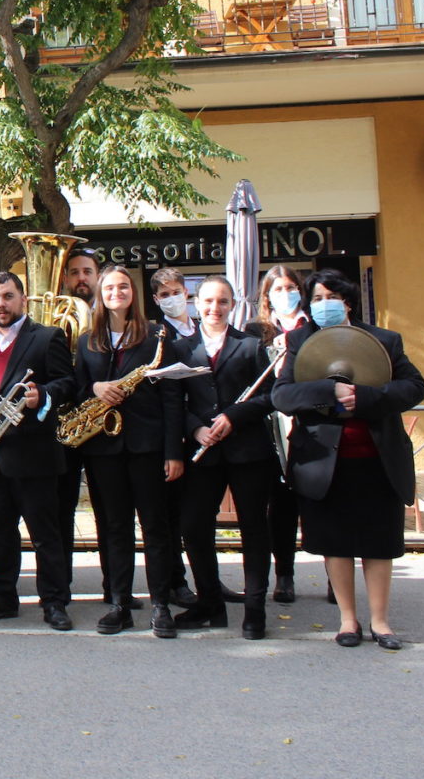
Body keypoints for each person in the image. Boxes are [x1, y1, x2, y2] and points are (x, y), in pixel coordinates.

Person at [272, 268, 424, 650]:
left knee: (379, 542)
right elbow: (283, 396)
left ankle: (381, 621)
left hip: (377, 459)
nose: (324, 305)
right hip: (325, 462)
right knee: (335, 543)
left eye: (330, 297)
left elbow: (414, 386)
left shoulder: (384, 340)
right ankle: (347, 620)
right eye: (317, 299)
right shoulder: (298, 341)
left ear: (348, 301)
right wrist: (328, 390)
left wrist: (368, 397)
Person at [0, 272, 79, 631]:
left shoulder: (47, 337)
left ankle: (55, 601)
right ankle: (1, 597)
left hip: (34, 455)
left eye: (8, 296)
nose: (1, 304)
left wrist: (42, 394)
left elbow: (68, 384)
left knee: (45, 534)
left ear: (23, 300)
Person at [73, 264, 184, 639]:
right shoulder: (88, 340)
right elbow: (75, 389)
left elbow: (171, 398)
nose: (116, 293)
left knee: (155, 527)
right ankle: (119, 603)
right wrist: (95, 388)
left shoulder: (156, 336)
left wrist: (173, 452)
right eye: (109, 288)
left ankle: (161, 605)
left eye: (123, 287)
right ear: (100, 295)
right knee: (115, 528)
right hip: (104, 449)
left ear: (133, 293)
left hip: (147, 446)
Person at [173, 276, 277, 639]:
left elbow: (270, 397)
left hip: (248, 451)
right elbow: (173, 401)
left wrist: (234, 417)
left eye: (222, 302)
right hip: (204, 452)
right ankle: (210, 603)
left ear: (232, 306)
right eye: (207, 302)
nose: (214, 309)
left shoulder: (249, 346)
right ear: (195, 304)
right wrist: (195, 428)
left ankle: (255, 609)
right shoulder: (179, 348)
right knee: (193, 526)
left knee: (253, 529)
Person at [244, 264, 311, 604]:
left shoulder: (313, 326)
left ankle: (335, 572)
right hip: (273, 424)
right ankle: (284, 573)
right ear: (266, 296)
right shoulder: (255, 330)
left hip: (312, 421)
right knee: (280, 504)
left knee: (319, 501)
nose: (285, 294)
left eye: (290, 287)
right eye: (277, 289)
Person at [148, 267, 198, 608]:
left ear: (186, 292)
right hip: (172, 437)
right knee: (169, 517)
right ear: (155, 300)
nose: (171, 298)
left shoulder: (204, 330)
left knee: (196, 515)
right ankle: (175, 582)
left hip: (206, 434)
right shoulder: (157, 335)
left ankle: (206, 579)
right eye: (164, 295)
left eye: (175, 291)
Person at [56, 246, 101, 604]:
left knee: (110, 510)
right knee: (62, 508)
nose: (81, 278)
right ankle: (61, 585)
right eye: (74, 272)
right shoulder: (53, 319)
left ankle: (116, 585)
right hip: (66, 427)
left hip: (105, 427)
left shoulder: (111, 317)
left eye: (87, 271)